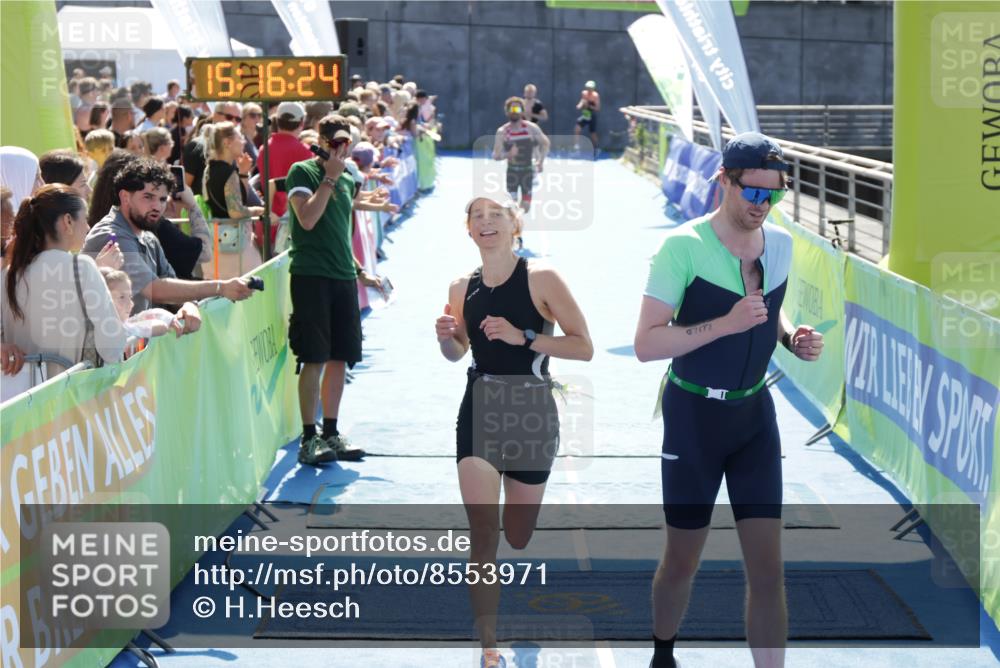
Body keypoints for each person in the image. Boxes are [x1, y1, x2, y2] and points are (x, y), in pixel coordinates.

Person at [634, 132, 825, 668]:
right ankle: (663, 654)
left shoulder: (780, 244)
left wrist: (790, 337)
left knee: (768, 570)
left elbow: (770, 312)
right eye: (753, 192)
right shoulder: (682, 247)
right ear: (725, 181)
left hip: (753, 419)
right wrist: (725, 323)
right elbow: (647, 343)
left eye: (775, 194)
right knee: (682, 560)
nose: (763, 204)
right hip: (693, 418)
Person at [435, 194, 593, 668]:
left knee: (517, 534)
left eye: (496, 215)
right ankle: (489, 645)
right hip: (480, 407)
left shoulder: (542, 278)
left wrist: (523, 336)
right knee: (484, 533)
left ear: (514, 225)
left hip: (531, 412)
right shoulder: (461, 286)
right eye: (477, 217)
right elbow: (458, 352)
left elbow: (583, 347)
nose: (486, 223)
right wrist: (447, 338)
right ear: (468, 230)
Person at [285, 114, 383, 466]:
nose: (342, 149)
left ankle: (331, 431)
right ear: (322, 142)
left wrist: (360, 272)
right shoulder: (303, 172)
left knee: (340, 357)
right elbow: (307, 219)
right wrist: (328, 178)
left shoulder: (346, 179)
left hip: (343, 277)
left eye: (346, 143)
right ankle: (308, 437)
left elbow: (340, 233)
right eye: (336, 142)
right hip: (311, 276)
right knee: (313, 357)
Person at [82, 158, 253, 315]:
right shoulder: (112, 235)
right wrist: (220, 287)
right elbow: (155, 289)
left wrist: (188, 305)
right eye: (148, 197)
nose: (157, 206)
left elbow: (170, 283)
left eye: (162, 199)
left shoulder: (147, 236)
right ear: (125, 197)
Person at [1, 184, 128, 372]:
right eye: (85, 219)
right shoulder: (83, 267)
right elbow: (112, 348)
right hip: (71, 389)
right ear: (68, 221)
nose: (88, 227)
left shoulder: (8, 274)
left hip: (17, 388)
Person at [202, 121, 266, 275]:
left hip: (217, 246)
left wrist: (243, 173)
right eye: (240, 138)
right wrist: (259, 211)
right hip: (235, 249)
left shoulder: (209, 168)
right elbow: (235, 212)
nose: (244, 142)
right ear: (227, 143)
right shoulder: (228, 172)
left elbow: (234, 200)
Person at [492, 97, 549, 249]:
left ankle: (515, 227)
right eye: (511, 109)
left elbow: (545, 143)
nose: (514, 112)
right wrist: (508, 154)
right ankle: (517, 234)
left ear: (522, 111)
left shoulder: (531, 128)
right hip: (512, 172)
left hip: (527, 172)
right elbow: (496, 156)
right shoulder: (503, 131)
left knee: (525, 207)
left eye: (517, 109)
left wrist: (541, 161)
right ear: (507, 112)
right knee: (512, 206)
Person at [574, 80, 601, 158]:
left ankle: (597, 148)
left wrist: (589, 105)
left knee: (592, 133)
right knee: (577, 128)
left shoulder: (596, 96)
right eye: (588, 88)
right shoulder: (584, 93)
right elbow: (582, 101)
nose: (589, 90)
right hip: (586, 115)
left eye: (590, 88)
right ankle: (577, 146)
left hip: (592, 115)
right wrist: (579, 105)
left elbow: (597, 108)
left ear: (593, 89)